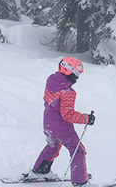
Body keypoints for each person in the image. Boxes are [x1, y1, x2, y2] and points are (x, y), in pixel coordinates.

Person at [25, 57, 96, 187]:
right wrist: (86, 118)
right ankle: (80, 182)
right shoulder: (68, 91)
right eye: (76, 74)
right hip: (62, 128)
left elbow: (48, 101)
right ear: (68, 71)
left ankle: (40, 171)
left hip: (48, 123)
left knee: (52, 146)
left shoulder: (51, 82)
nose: (77, 78)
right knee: (77, 151)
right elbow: (67, 115)